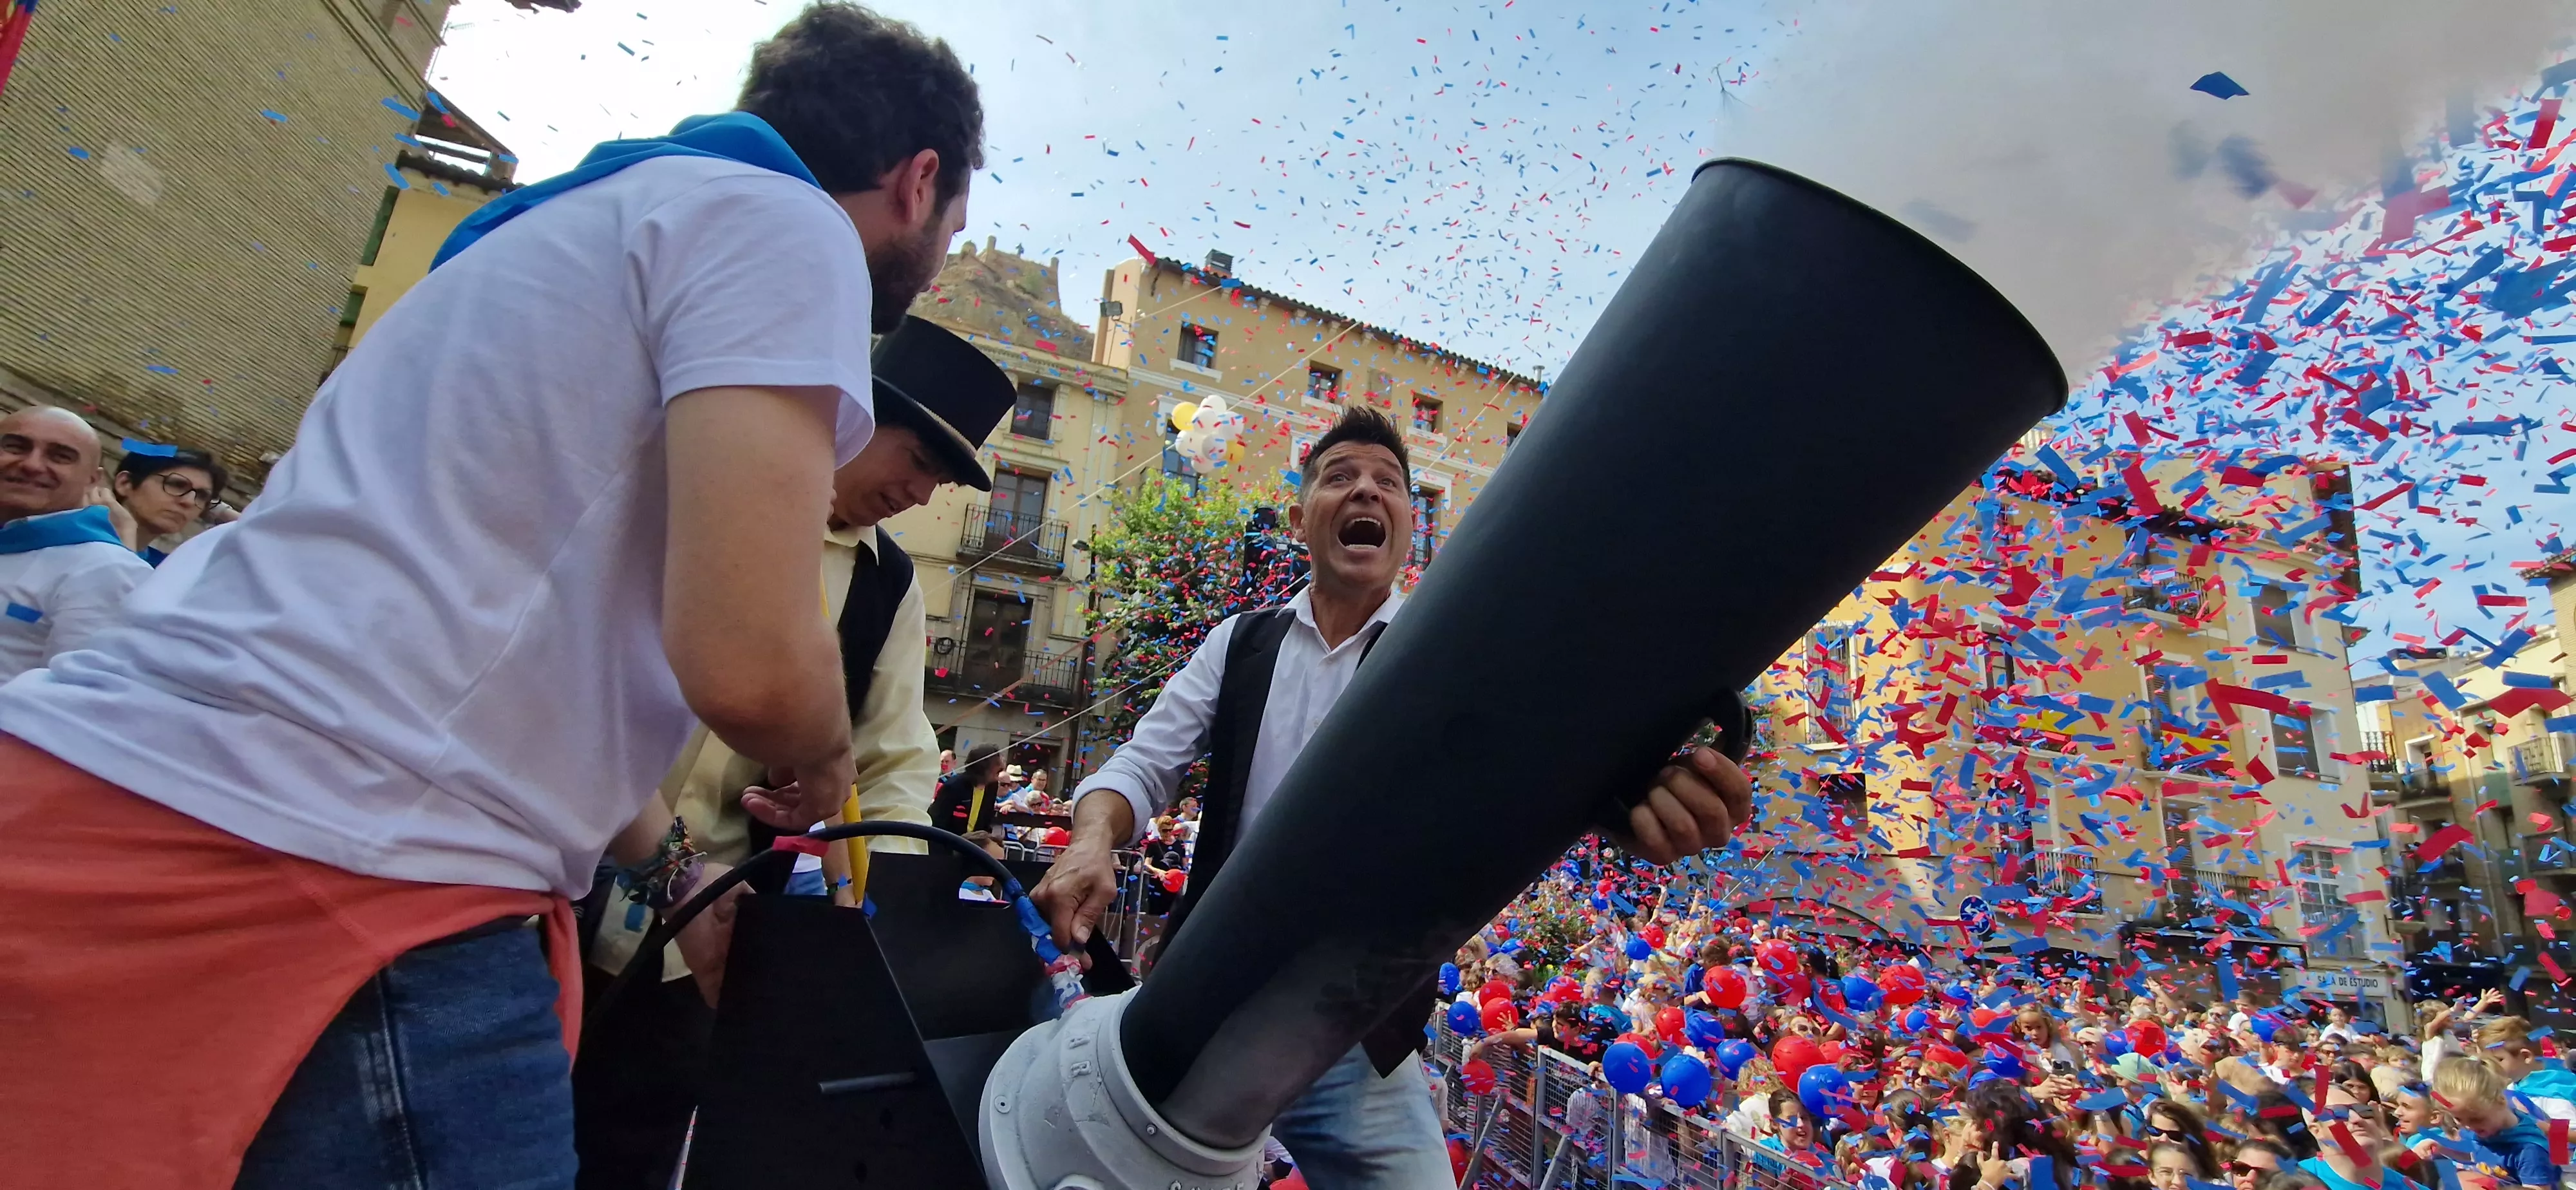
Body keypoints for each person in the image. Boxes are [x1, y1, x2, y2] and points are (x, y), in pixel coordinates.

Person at [0, 4, 983, 1185]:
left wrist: (680, 874)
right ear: (917, 181)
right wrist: (822, 763)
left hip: (115, 804)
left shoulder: (559, 223)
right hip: (350, 863)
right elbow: (750, 662)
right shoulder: (782, 223)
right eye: (951, 230)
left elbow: (530, 668)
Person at [1031, 404, 1754, 1188]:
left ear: (1411, 521)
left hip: (1357, 1035)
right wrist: (1091, 837)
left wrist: (1640, 795)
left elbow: (1557, 772)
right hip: (1201, 1000)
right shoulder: (1239, 643)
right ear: (1300, 516)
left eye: (1388, 483)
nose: (1365, 492)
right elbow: (1142, 765)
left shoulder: (1463, 661)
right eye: (1338, 477)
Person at [573, 314, 1013, 1189]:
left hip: (698, 960)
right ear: (861, 414)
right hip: (551, 896)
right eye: (920, 462)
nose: (924, 496)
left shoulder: (889, 587)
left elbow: (894, 762)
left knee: (629, 1161)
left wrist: (863, 879)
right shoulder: (706, 482)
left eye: (944, 482)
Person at [0, 406, 153, 681]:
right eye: (15, 447)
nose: (32, 464)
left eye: (61, 456)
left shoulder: (107, 568)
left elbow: (73, 700)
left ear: (92, 480)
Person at [2432, 1057, 2565, 1190]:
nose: (2468, 1127)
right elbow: (2475, 1154)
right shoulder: (2486, 1127)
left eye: (2476, 1119)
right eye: (2459, 1119)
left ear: (2501, 1101)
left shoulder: (2529, 1151)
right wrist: (2442, 1149)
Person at [108, 446, 231, 564]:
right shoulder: (91, 540)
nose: (189, 502)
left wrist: (222, 511)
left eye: (201, 495)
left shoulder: (165, 569)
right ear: (125, 483)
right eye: (176, 485)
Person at [931, 743, 1008, 836]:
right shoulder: (953, 786)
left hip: (973, 845)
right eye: (998, 768)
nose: (1001, 768)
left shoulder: (992, 786)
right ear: (984, 768)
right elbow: (937, 823)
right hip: (950, 843)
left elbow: (986, 821)